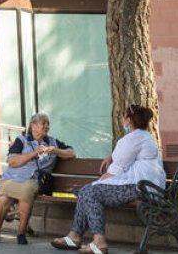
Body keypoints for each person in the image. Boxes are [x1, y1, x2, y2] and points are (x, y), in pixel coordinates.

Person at [51, 104, 164, 254]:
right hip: (148, 187)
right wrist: (111, 157)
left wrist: (97, 183)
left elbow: (117, 170)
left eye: (124, 117)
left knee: (89, 192)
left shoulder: (131, 139)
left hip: (140, 188)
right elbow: (126, 158)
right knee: (87, 191)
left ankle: (96, 241)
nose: (123, 120)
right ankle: (75, 237)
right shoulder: (144, 137)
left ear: (128, 120)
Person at [0, 112, 76, 244]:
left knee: (21, 192)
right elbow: (12, 161)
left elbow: (72, 153)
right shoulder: (22, 140)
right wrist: (34, 153)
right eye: (43, 123)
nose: (47, 126)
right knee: (4, 198)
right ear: (33, 125)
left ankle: (20, 233)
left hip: (34, 180)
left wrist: (56, 151)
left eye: (48, 123)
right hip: (12, 178)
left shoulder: (52, 142)